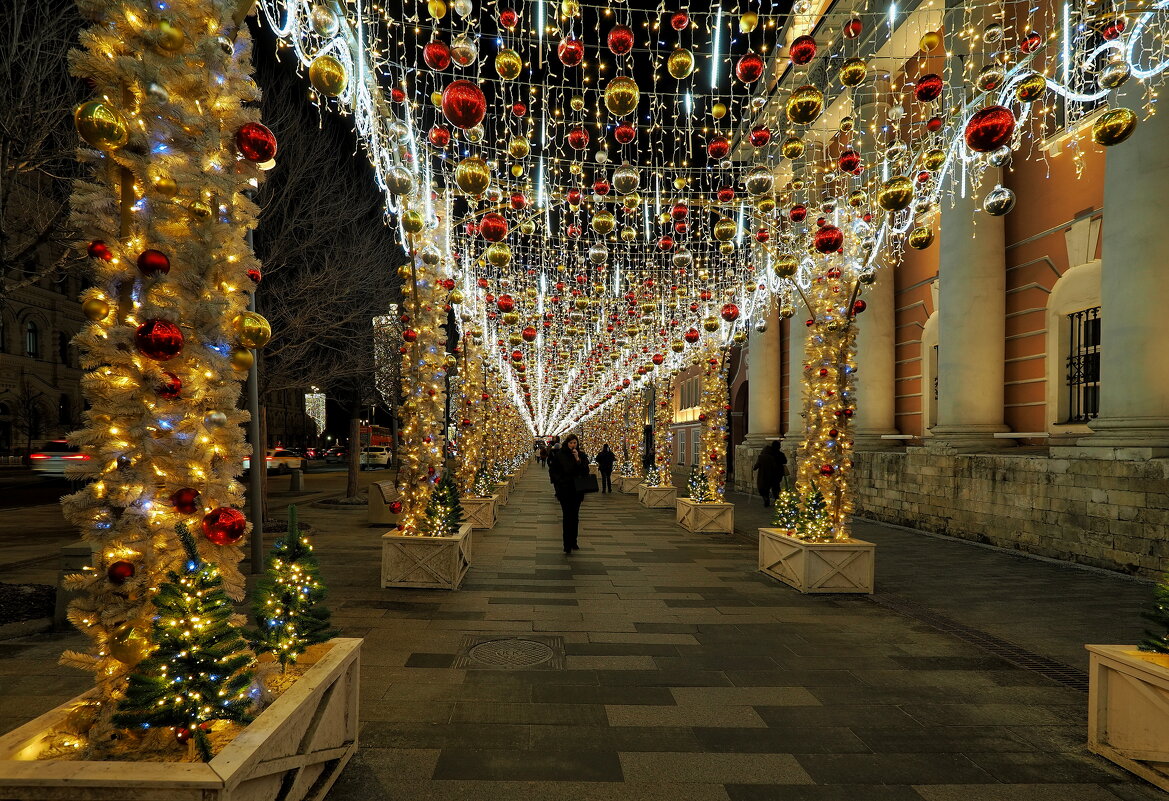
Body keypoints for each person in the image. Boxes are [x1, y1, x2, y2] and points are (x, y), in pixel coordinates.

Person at [548, 434, 590, 553]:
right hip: (565, 490)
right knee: (567, 516)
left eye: (575, 443)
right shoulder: (560, 455)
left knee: (575, 516)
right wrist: (559, 484)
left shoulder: (581, 455)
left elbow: (585, 471)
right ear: (567, 443)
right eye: (571, 443)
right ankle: (567, 544)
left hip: (577, 491)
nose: (573, 445)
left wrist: (578, 459)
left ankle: (574, 541)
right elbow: (553, 471)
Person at [752, 441, 787, 507]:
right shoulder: (779, 454)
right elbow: (784, 461)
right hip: (776, 474)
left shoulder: (762, 456)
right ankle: (777, 500)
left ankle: (766, 499)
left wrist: (753, 468)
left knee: (765, 488)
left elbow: (756, 466)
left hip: (764, 475)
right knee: (775, 487)